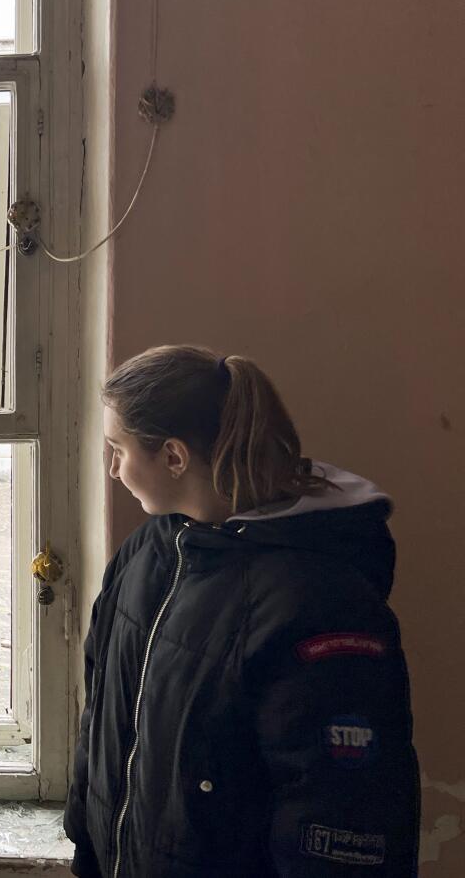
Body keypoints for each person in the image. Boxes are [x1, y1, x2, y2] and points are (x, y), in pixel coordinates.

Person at [64, 345, 419, 877]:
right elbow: (103, 716)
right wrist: (86, 847)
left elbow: (339, 809)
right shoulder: (150, 550)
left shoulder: (316, 601)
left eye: (118, 449)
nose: (112, 469)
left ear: (174, 457)